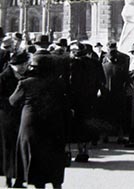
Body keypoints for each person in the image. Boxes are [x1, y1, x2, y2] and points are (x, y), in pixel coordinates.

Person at [9, 54, 67, 189]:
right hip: (53, 123)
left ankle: (38, 185)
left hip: (31, 124)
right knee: (53, 155)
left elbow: (12, 101)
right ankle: (56, 184)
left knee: (34, 154)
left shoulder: (25, 83)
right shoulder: (58, 83)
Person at [69, 41, 105, 162]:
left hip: (77, 99)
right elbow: (102, 81)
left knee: (79, 124)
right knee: (89, 123)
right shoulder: (95, 63)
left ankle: (81, 150)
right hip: (91, 98)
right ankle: (86, 149)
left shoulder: (73, 64)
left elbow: (70, 81)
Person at [0, 51, 29, 189]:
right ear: (12, 65)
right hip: (7, 117)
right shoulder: (3, 77)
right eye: (19, 65)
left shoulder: (26, 77)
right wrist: (11, 103)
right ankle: (8, 177)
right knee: (9, 148)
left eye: (24, 64)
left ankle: (20, 179)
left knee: (21, 148)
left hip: (22, 116)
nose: (23, 67)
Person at [102, 41, 130, 143]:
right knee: (116, 114)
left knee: (111, 114)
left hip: (111, 91)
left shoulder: (105, 59)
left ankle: (111, 135)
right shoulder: (123, 58)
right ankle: (117, 135)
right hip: (115, 91)